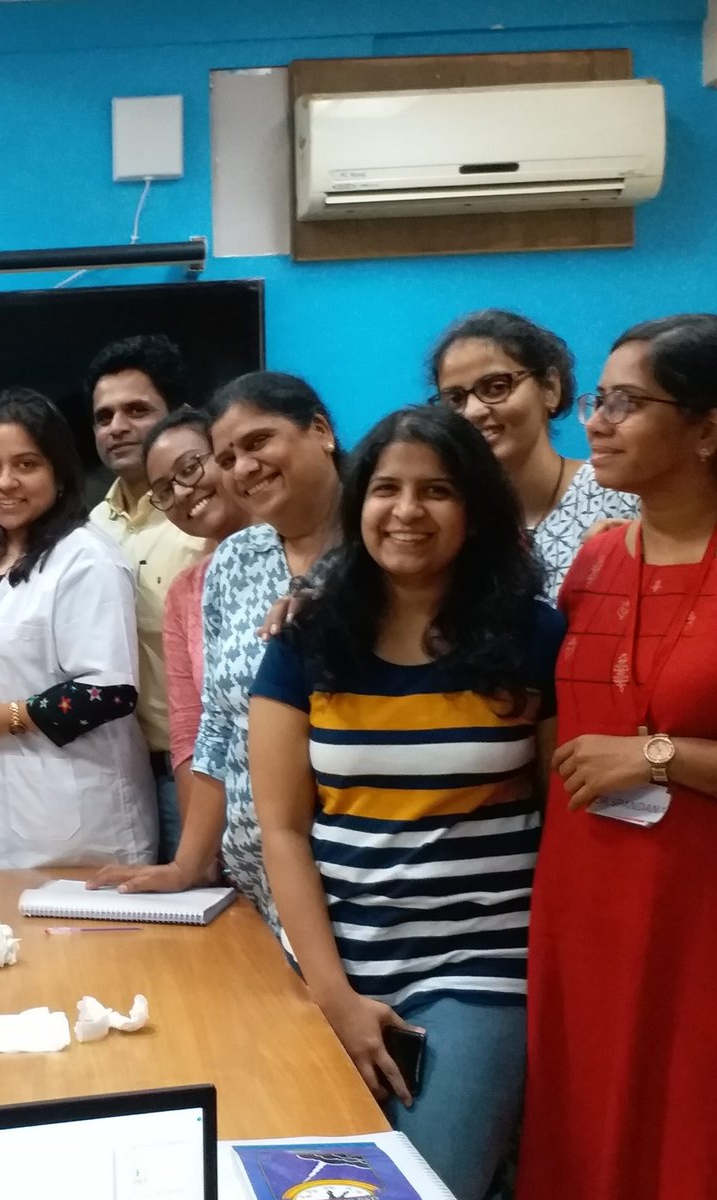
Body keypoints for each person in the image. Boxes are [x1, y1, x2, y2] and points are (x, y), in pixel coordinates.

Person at [248, 406, 560, 1200]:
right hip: (336, 960)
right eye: (386, 488)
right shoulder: (307, 639)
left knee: (433, 1188)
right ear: (359, 506)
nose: (408, 511)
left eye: (437, 490)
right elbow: (283, 829)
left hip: (483, 966)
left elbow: (562, 812)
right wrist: (334, 997)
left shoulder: (533, 638)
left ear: (475, 510)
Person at [519, 314, 717, 1200]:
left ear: (706, 429)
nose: (596, 421)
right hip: (584, 895)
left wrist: (659, 756)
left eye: (627, 403)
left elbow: (642, 744)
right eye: (598, 400)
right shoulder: (595, 559)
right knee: (584, 1127)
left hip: (695, 910)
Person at [91, 373, 345, 922]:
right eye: (228, 458)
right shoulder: (233, 562)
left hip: (364, 869)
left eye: (258, 442)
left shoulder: (380, 546)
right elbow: (215, 727)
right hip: (260, 880)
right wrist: (188, 863)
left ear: (321, 431)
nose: (244, 468)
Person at [0, 389, 156, 868]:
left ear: (59, 472)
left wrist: (5, 717)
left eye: (26, 465)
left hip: (74, 821)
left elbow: (110, 691)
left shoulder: (87, 558)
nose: (4, 482)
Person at [85, 335, 206, 862]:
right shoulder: (91, 529)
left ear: (178, 415)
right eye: (104, 416)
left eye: (137, 410)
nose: (117, 427)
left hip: (205, 768)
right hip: (119, 773)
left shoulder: (206, 515)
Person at [429, 309, 637, 600]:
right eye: (455, 399)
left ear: (550, 388)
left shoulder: (623, 497)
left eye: (496, 387)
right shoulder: (449, 519)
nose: (473, 411)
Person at [142, 408, 253, 826]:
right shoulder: (185, 593)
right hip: (233, 829)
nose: (182, 492)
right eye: (164, 490)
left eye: (190, 468)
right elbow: (191, 733)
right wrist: (200, 851)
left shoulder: (301, 551)